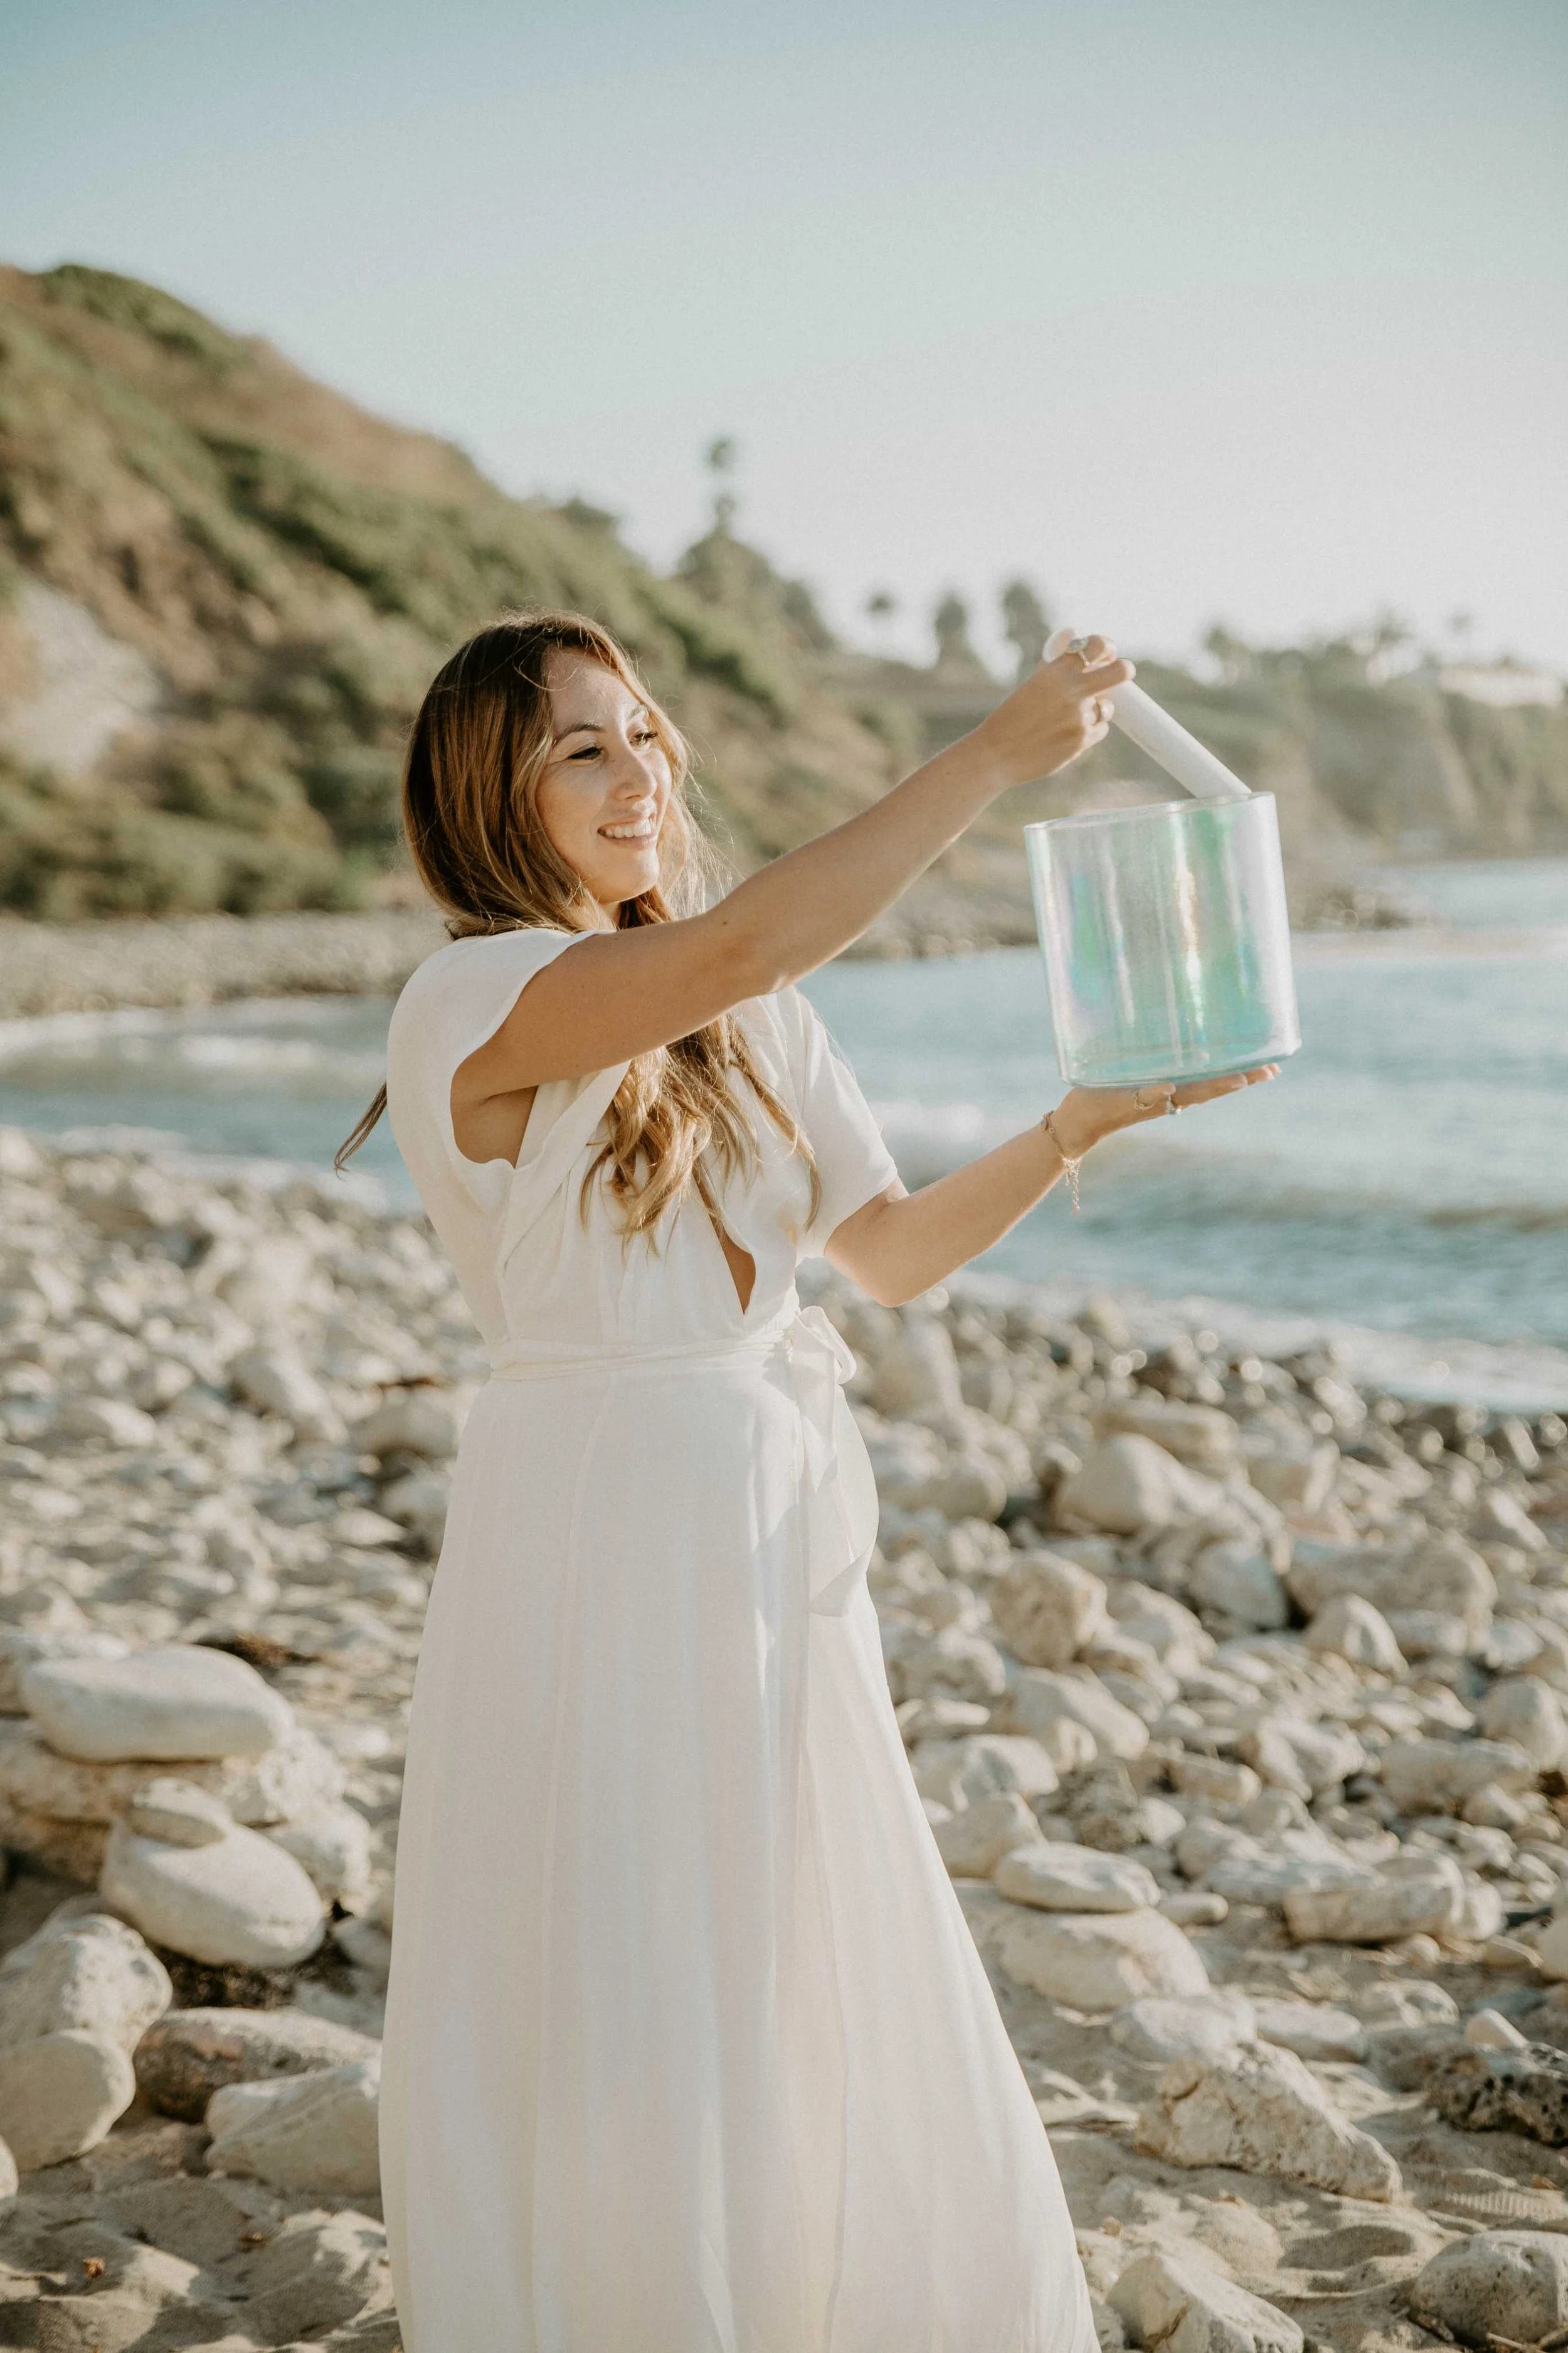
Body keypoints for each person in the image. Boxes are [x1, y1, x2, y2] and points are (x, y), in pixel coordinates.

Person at [337, 609, 1275, 2353]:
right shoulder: (471, 994)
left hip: (764, 1520)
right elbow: (743, 937)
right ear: (489, 796)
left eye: (644, 733)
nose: (642, 772)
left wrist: (1079, 1122)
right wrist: (994, 758)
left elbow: (894, 1251)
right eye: (580, 748)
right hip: (593, 1515)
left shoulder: (753, 1011)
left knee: (784, 1933)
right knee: (621, 1939)